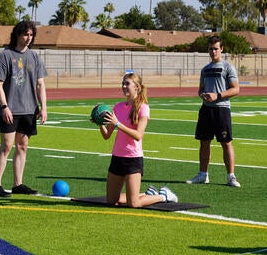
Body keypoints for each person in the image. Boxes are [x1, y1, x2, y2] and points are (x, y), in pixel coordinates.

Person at [97, 72, 177, 207]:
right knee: (111, 201)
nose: (123, 86)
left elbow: (138, 135)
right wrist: (99, 123)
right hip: (117, 157)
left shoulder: (143, 108)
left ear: (137, 87)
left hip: (133, 159)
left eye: (127, 83)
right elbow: (106, 136)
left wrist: (118, 124)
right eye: (122, 83)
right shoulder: (117, 107)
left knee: (133, 204)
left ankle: (163, 196)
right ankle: (147, 194)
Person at [0, 21, 47, 197]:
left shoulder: (35, 57)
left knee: (22, 146)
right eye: (25, 34)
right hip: (10, 110)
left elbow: (40, 84)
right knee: (6, 146)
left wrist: (43, 107)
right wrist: (4, 106)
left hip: (29, 110)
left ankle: (18, 184)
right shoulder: (5, 56)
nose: (28, 38)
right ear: (17, 35)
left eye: (30, 35)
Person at [186, 35, 241, 187]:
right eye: (210, 49)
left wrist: (217, 95)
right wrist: (202, 95)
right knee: (204, 142)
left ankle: (231, 176)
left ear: (221, 49)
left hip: (221, 110)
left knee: (226, 143)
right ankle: (203, 175)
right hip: (206, 110)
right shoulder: (205, 69)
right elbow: (200, 90)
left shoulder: (228, 67)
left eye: (216, 49)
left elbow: (236, 89)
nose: (213, 52)